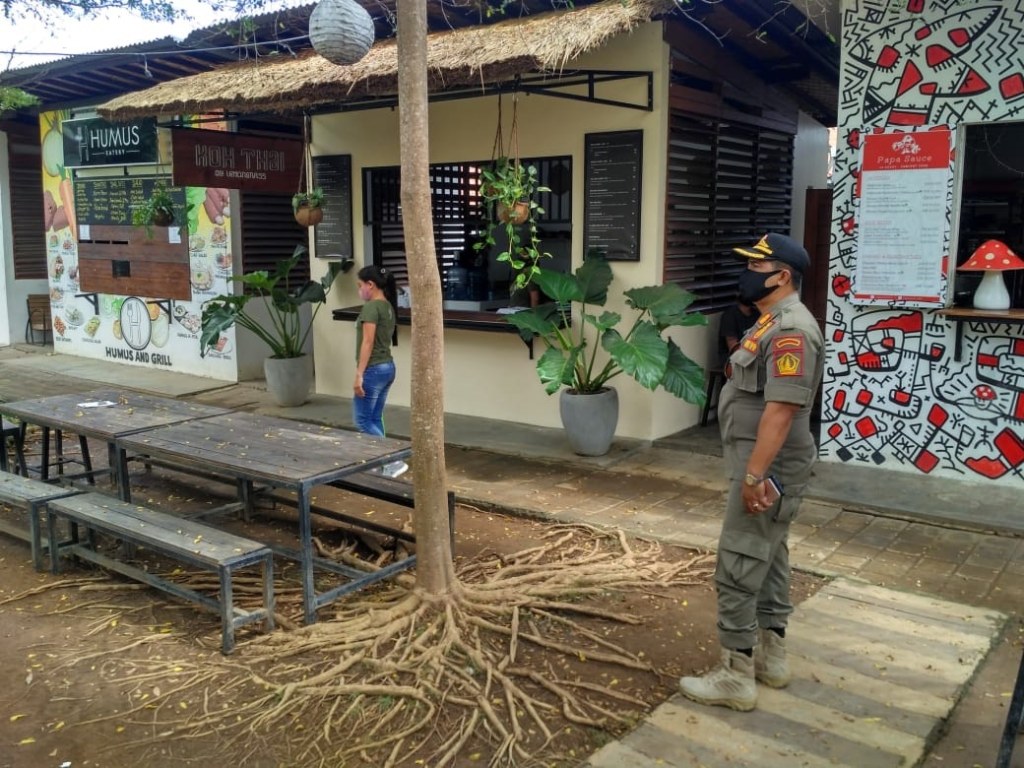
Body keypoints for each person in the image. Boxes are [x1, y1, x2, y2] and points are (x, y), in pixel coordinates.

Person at [679, 232, 824, 711]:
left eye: (756, 268)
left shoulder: (791, 330)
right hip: (761, 460)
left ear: (781, 277)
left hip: (768, 465)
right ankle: (771, 659)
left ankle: (735, 675)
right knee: (770, 554)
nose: (746, 274)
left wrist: (754, 476)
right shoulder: (769, 320)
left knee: (739, 560)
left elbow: (781, 410)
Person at [353, 264, 407, 478]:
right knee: (374, 418)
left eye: (360, 285)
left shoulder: (372, 308)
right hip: (387, 368)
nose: (359, 290)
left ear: (370, 285)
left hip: (373, 370)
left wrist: (359, 374)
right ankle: (379, 463)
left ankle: (393, 461)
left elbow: (367, 342)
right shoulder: (387, 306)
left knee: (362, 420)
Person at [718, 295, 757, 367]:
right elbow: (733, 346)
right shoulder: (729, 316)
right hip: (732, 358)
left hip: (753, 353)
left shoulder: (756, 313)